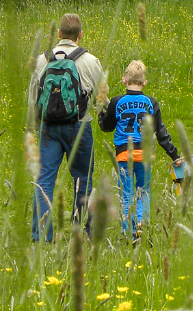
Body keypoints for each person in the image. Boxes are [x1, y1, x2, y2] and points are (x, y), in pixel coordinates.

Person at [29, 13, 105, 243]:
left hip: (48, 128)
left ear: (59, 34)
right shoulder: (90, 61)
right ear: (80, 35)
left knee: (43, 182)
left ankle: (41, 236)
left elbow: (33, 97)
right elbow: (102, 97)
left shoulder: (42, 60)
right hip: (79, 127)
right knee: (83, 180)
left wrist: (35, 126)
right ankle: (81, 232)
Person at [98, 60, 183, 243]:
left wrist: (101, 113)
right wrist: (174, 155)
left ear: (124, 80)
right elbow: (161, 133)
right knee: (143, 192)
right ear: (144, 82)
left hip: (123, 155)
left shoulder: (117, 102)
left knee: (126, 194)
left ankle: (127, 232)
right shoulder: (151, 103)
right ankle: (141, 228)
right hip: (144, 156)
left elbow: (106, 127)